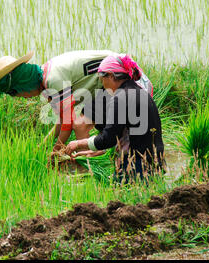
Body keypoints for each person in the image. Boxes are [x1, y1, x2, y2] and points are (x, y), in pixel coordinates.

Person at [0, 50, 154, 155]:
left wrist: (57, 152)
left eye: (18, 94)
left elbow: (67, 123)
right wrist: (44, 146)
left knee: (80, 124)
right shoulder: (46, 79)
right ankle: (94, 157)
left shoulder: (53, 78)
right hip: (108, 89)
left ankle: (88, 165)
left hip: (127, 82)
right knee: (83, 123)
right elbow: (61, 120)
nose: (24, 98)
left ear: (23, 84)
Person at [64, 54, 165, 183]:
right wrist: (97, 149)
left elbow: (108, 138)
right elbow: (129, 133)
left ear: (111, 76)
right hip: (156, 163)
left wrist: (78, 143)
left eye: (102, 79)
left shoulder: (120, 97)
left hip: (137, 167)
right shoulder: (142, 93)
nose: (103, 84)